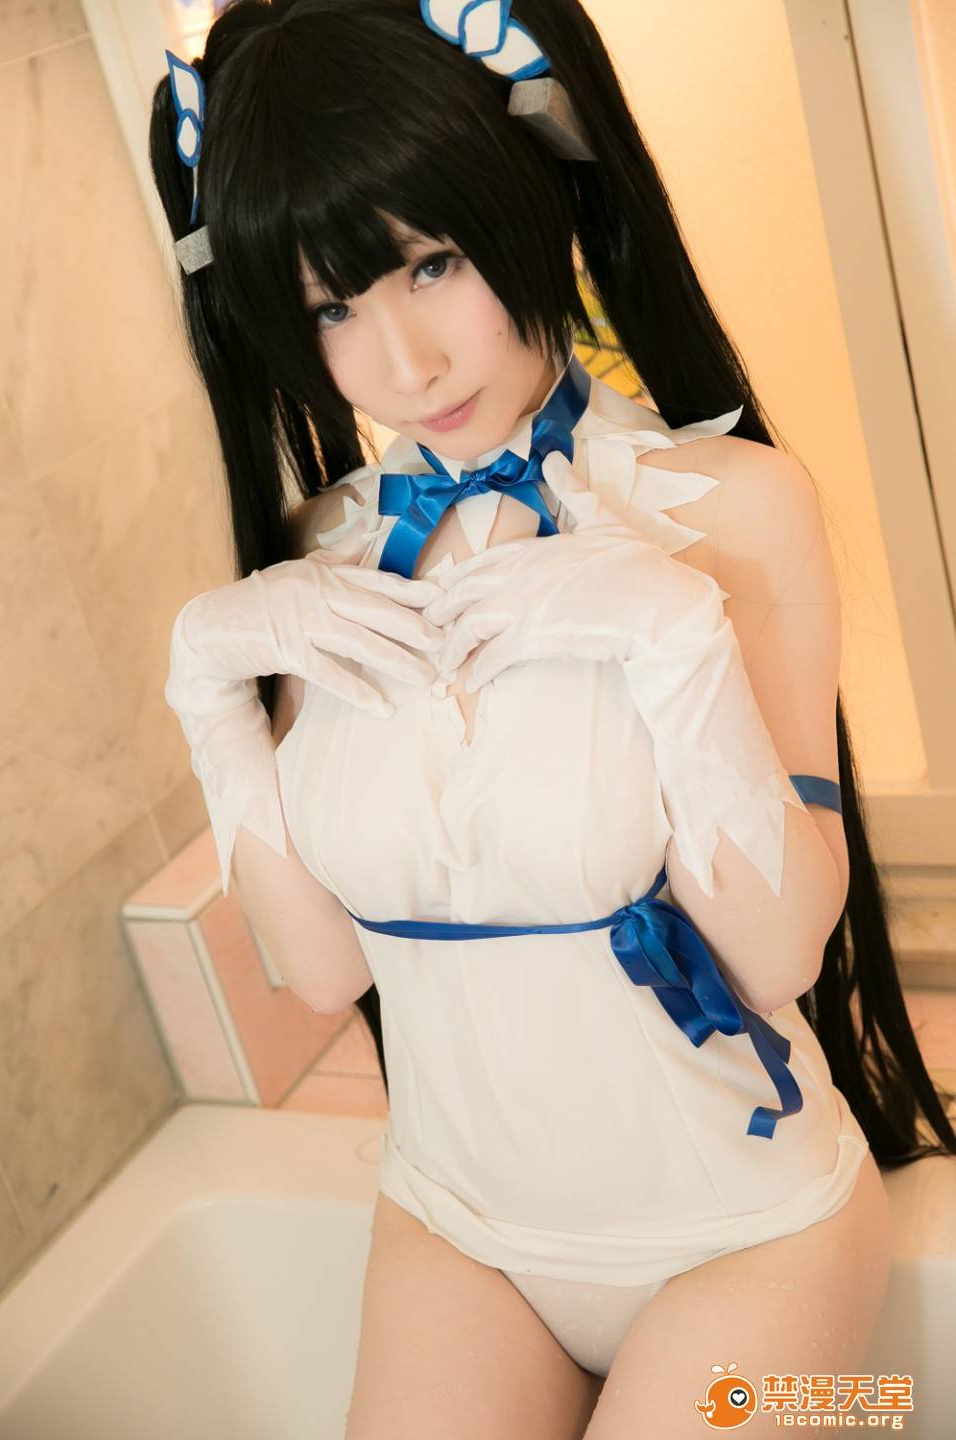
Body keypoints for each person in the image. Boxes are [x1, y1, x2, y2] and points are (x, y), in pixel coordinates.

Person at [151, 2, 956, 1435]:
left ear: (530, 196)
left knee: (857, 1408)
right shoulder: (321, 559)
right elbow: (326, 971)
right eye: (332, 308)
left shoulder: (735, 510)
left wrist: (670, 636)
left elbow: (777, 952)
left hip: (751, 1236)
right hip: (456, 1225)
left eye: (431, 264)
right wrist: (207, 682)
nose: (404, 363)